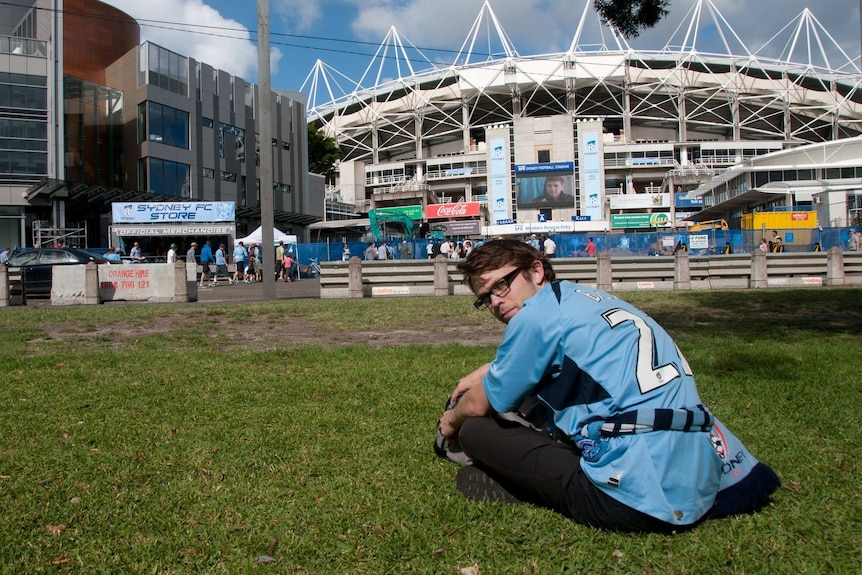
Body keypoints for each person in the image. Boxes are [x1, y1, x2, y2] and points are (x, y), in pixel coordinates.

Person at [436, 239, 779, 532]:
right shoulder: (582, 298)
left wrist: (450, 422)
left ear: (536, 271)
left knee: (475, 432)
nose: (496, 302)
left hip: (639, 497)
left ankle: (518, 483)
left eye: (502, 285)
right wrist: (489, 370)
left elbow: (481, 404)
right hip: (702, 466)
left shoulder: (533, 319)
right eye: (485, 298)